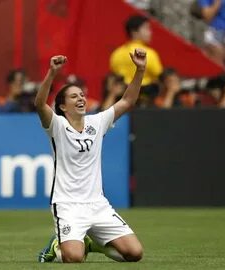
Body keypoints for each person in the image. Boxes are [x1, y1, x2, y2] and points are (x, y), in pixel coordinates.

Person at [35, 48, 147, 263]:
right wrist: (52, 73)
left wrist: (140, 70)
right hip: (67, 204)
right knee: (74, 258)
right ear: (62, 106)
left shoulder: (97, 122)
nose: (81, 99)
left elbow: (127, 101)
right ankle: (58, 244)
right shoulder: (57, 126)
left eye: (82, 95)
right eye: (74, 96)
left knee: (135, 254)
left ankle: (91, 242)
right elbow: (40, 104)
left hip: (97, 204)